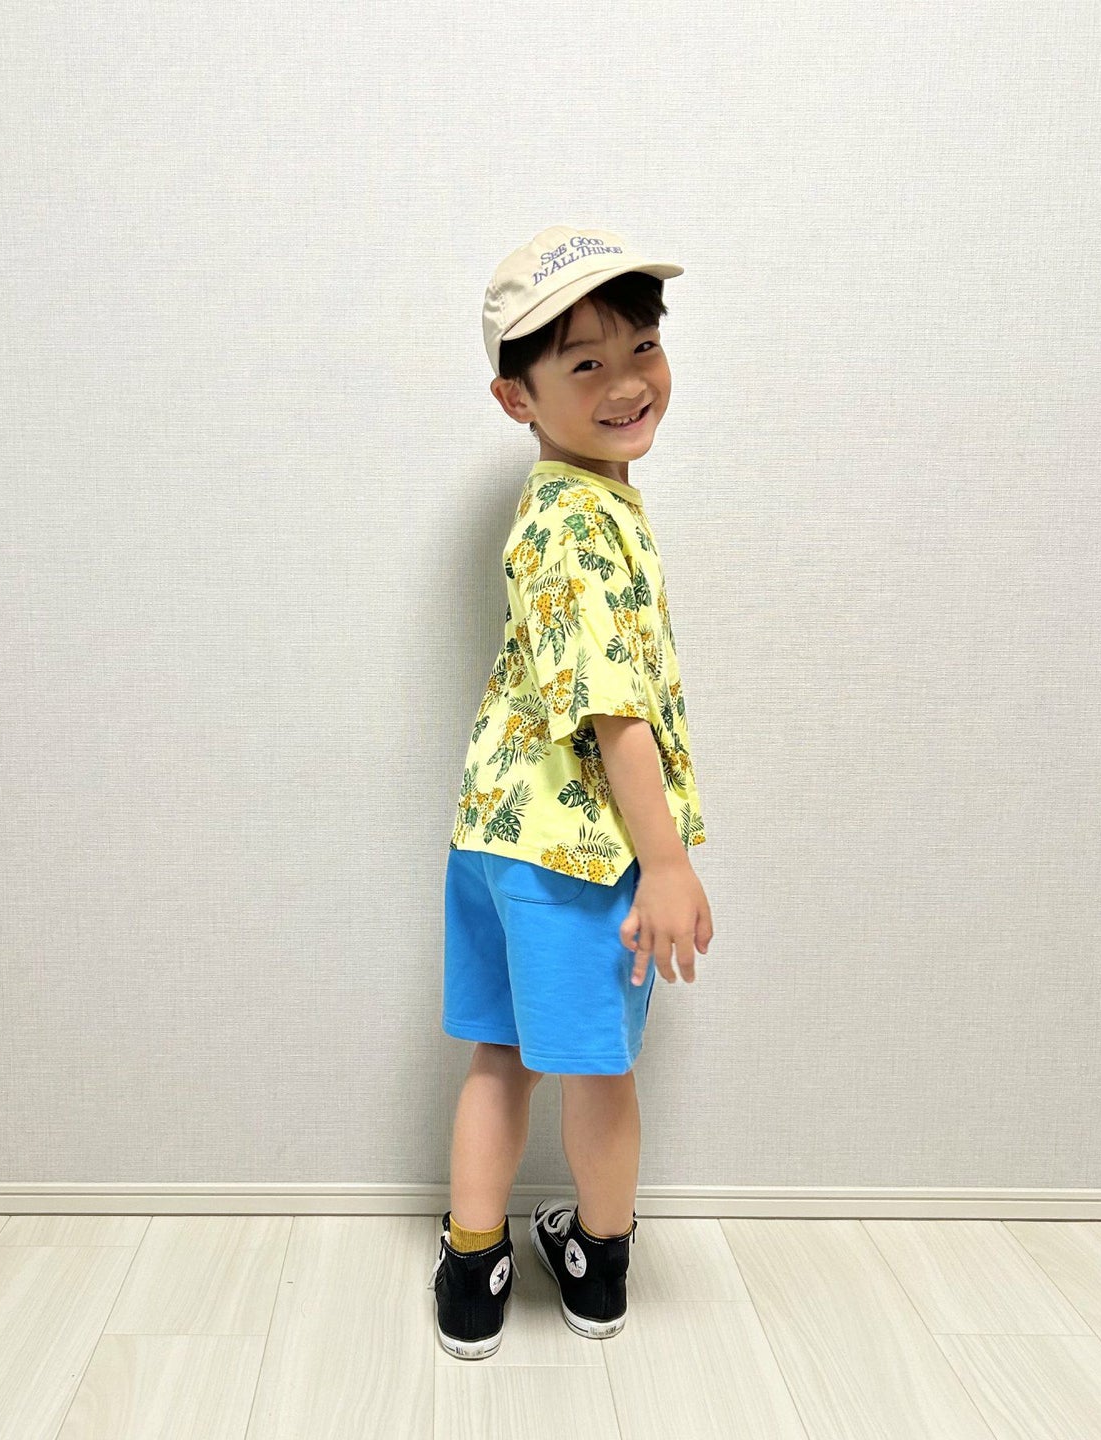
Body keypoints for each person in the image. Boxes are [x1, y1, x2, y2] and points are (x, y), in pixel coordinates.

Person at [427, 224, 714, 1360]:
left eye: (641, 346)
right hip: (579, 852)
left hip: (495, 831)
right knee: (596, 1068)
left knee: (499, 1054)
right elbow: (614, 711)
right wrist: (668, 862)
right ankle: (596, 1265)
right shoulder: (581, 523)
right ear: (518, 399)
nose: (627, 381)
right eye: (584, 363)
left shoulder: (565, 504)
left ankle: (472, 1269)